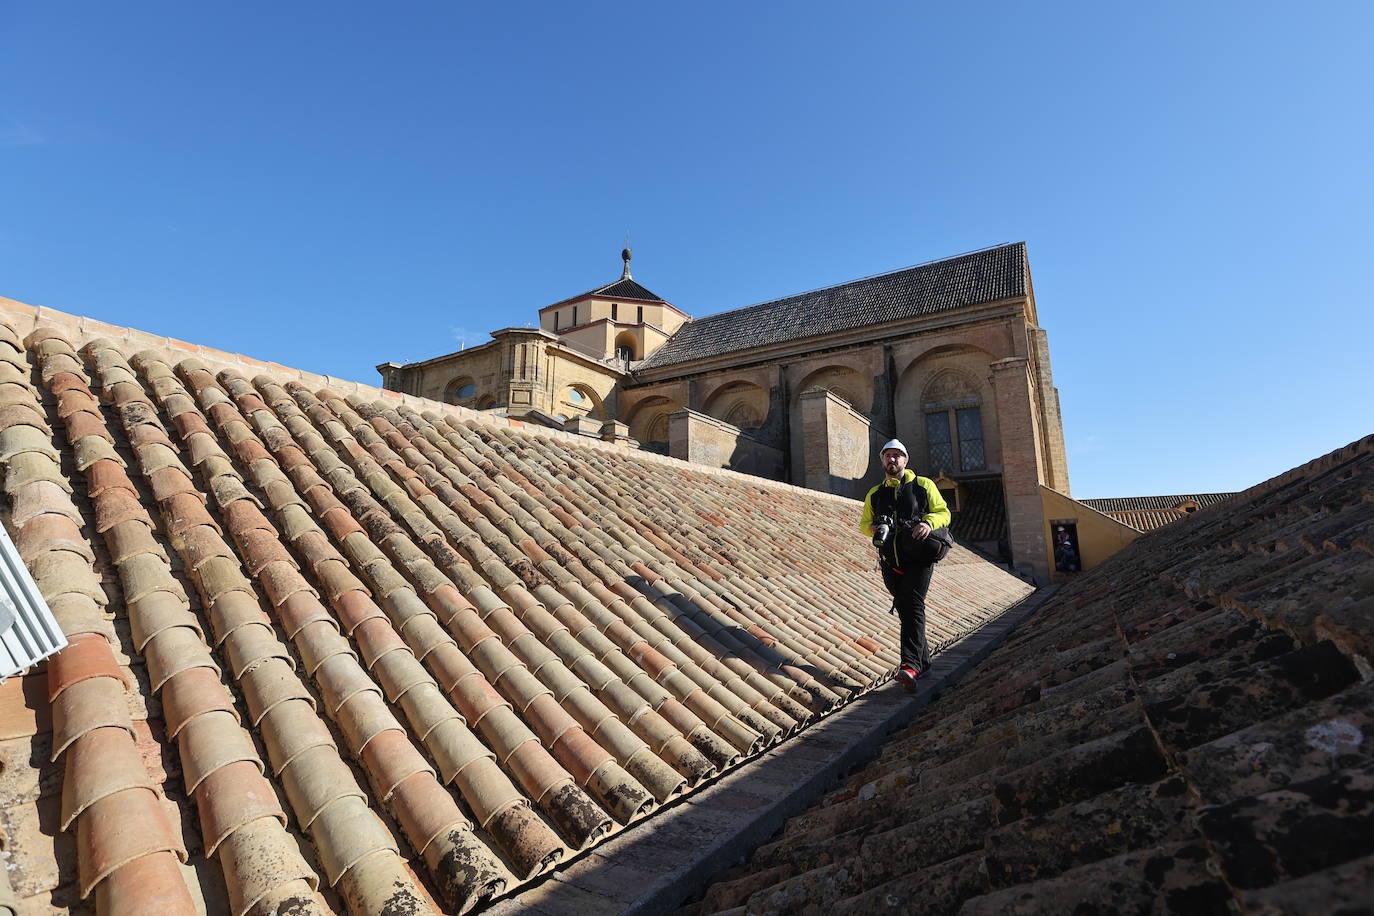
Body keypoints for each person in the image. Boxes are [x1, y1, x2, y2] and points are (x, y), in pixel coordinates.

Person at [859, 439, 951, 687]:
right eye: (888, 456)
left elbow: (944, 512)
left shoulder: (923, 485)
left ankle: (910, 666)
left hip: (919, 559)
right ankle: (925, 663)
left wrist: (928, 523)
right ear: (882, 460)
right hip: (890, 561)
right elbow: (863, 523)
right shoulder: (875, 493)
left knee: (911, 603)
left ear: (905, 460)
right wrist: (873, 528)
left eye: (897, 456)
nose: (892, 460)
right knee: (905, 608)